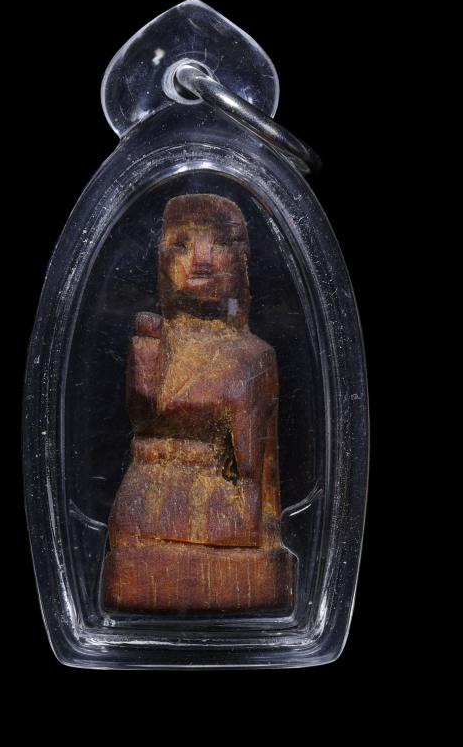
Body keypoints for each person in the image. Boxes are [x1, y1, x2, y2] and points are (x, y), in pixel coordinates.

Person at [102, 193, 294, 612]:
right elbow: (145, 418)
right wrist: (145, 379)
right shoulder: (154, 341)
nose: (202, 260)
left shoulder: (256, 356)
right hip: (148, 500)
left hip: (228, 511)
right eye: (182, 244)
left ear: (242, 261)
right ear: (161, 260)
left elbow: (262, 469)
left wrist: (267, 524)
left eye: (220, 243)